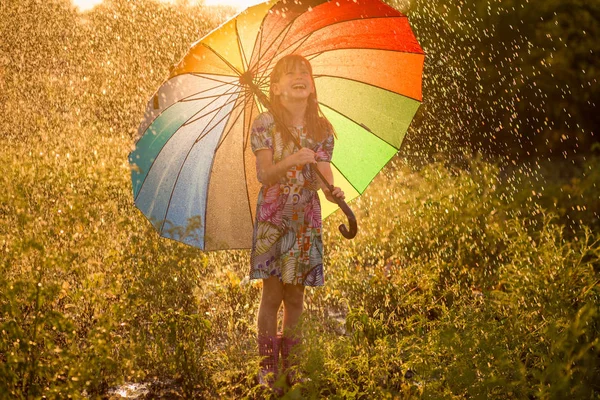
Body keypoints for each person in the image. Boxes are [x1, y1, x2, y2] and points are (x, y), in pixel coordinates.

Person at [249, 54, 345, 389]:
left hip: (305, 217)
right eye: (289, 74)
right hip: (275, 217)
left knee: (295, 299)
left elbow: (323, 179)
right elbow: (264, 174)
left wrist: (334, 193)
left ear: (311, 84)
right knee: (273, 296)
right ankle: (267, 368)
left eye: (304, 72)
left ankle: (291, 366)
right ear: (276, 88)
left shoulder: (322, 129)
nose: (299, 76)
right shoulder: (265, 124)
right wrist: (292, 158)